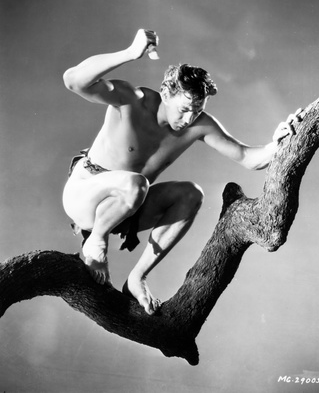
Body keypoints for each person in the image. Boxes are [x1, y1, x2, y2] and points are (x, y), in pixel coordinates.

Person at [62, 29, 302, 315]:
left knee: (190, 195)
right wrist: (129, 53)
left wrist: (278, 142)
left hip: (127, 208)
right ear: (166, 93)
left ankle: (137, 278)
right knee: (136, 183)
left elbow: (249, 158)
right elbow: (73, 80)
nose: (189, 119)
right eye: (185, 108)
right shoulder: (132, 101)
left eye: (197, 110)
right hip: (85, 193)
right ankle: (96, 241)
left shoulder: (198, 124)